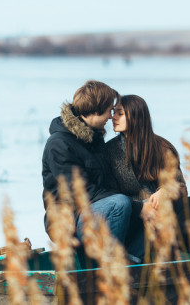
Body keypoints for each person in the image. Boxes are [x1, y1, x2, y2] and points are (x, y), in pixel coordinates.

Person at [105, 94, 190, 257]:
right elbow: (112, 196)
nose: (113, 117)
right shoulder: (109, 152)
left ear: (136, 116)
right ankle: (180, 245)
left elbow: (180, 186)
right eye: (113, 112)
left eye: (119, 113)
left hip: (166, 212)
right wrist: (144, 206)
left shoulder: (162, 147)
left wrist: (165, 191)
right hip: (137, 216)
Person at [41, 80, 132, 248]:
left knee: (144, 215)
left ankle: (136, 261)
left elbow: (108, 184)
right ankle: (110, 264)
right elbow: (83, 193)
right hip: (68, 223)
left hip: (96, 211)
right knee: (120, 204)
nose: (112, 116)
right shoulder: (59, 144)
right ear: (96, 110)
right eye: (109, 111)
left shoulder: (94, 139)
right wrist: (137, 206)